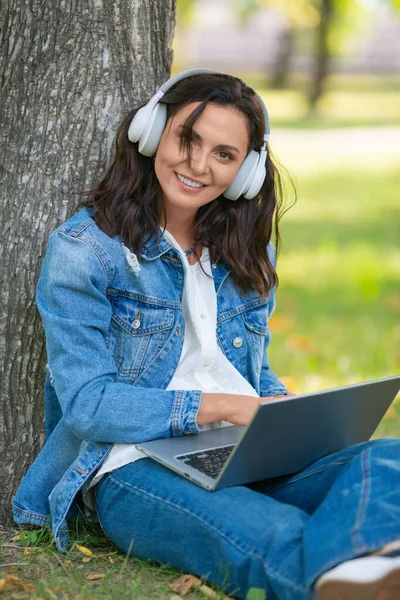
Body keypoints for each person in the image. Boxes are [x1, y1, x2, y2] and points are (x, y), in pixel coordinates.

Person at [13, 69, 400, 600]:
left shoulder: (247, 251)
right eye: (187, 139)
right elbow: (88, 404)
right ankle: (353, 571)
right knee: (271, 535)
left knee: (387, 458)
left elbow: (251, 371)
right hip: (135, 466)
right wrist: (219, 407)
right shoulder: (86, 250)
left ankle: (360, 569)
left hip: (250, 450)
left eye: (223, 154)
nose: (198, 165)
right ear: (152, 133)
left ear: (246, 171)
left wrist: (280, 408)